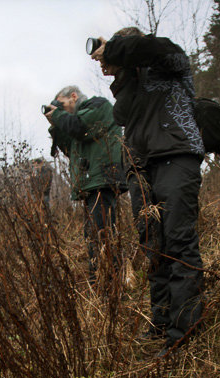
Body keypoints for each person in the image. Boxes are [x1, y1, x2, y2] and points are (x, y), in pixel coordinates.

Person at [93, 27, 205, 357]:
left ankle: (183, 336)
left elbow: (154, 48)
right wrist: (123, 74)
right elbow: (123, 114)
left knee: (179, 242)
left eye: (116, 49)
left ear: (128, 45)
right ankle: (161, 321)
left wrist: (112, 50)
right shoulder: (133, 79)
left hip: (176, 155)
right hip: (140, 166)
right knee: (152, 243)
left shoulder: (170, 61)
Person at [46, 85, 127, 282]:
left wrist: (58, 117)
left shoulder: (98, 105)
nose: (61, 110)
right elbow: (69, 147)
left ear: (73, 96)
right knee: (94, 234)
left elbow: (79, 128)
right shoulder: (77, 120)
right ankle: (103, 281)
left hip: (102, 179)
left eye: (62, 104)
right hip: (91, 183)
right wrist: (55, 124)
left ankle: (107, 283)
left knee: (101, 233)